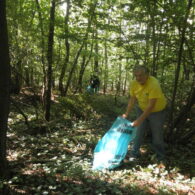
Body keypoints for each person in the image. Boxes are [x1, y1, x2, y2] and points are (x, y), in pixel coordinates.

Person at [122, 65, 167, 162]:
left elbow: (151, 106)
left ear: (147, 75)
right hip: (141, 108)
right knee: (138, 132)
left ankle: (161, 157)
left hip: (157, 111)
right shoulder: (134, 83)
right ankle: (134, 154)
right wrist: (126, 113)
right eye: (136, 76)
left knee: (157, 136)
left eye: (141, 75)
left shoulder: (154, 84)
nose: (138, 78)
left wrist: (139, 120)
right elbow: (133, 99)